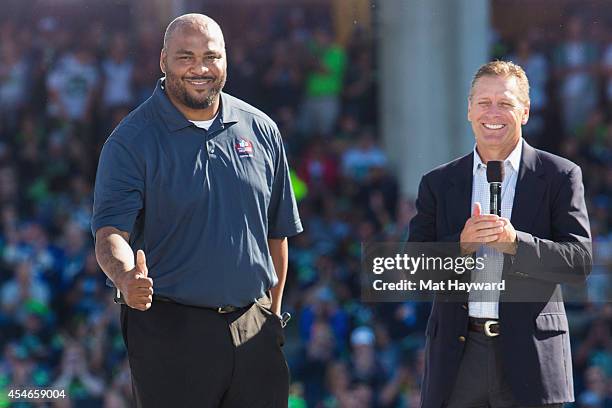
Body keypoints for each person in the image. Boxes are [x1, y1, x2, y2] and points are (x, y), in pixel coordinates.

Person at [91, 13, 302, 408]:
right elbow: (109, 235)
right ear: (163, 60)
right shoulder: (131, 141)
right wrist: (125, 277)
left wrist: (272, 315)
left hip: (255, 330)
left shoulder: (262, 130)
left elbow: (278, 233)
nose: (200, 68)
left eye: (211, 56)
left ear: (226, 59)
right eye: (185, 57)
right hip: (170, 332)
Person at [408, 61, 592, 408]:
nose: (493, 112)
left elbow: (578, 263)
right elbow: (413, 268)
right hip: (458, 360)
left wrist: (515, 243)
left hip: (531, 357)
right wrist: (460, 246)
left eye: (505, 103)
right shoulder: (437, 183)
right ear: (469, 110)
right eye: (484, 102)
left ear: (524, 112)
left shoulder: (560, 176)